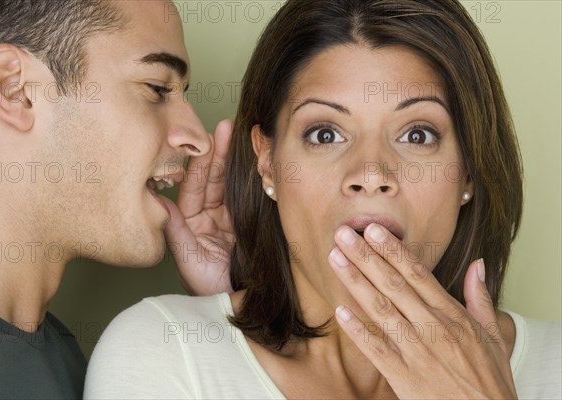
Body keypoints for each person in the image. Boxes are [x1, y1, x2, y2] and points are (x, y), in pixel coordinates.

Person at [84, 0, 562, 399]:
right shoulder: (164, 349)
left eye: (417, 134)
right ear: (267, 164)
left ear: (470, 172)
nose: (370, 174)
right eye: (325, 133)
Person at [0, 1, 233, 398]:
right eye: (157, 88)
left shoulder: (75, 366)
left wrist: (231, 315)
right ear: (15, 89)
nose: (198, 137)